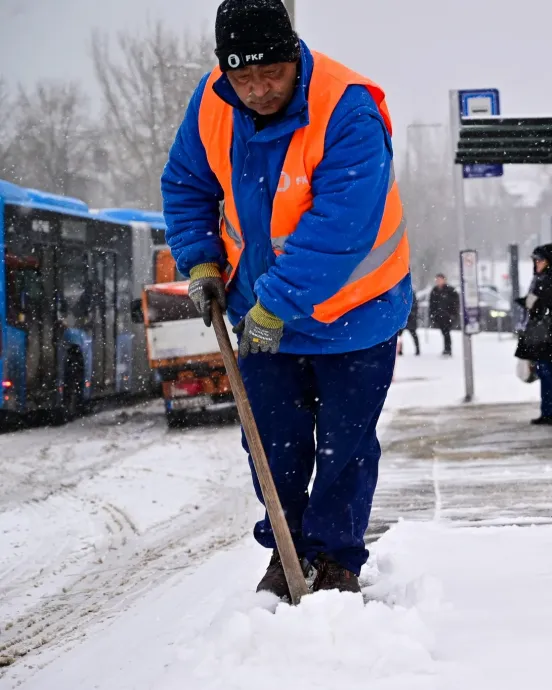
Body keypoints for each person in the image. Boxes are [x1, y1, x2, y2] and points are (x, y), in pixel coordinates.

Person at [161, 0, 410, 597]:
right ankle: (289, 550)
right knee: (272, 443)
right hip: (260, 311)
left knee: (346, 446)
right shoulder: (213, 102)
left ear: (294, 55)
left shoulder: (346, 107)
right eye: (243, 77)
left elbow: (340, 225)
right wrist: (200, 258)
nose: (257, 90)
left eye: (271, 73)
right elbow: (187, 183)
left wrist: (277, 302)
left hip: (356, 312)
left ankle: (337, 559)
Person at [515, 244, 552, 425]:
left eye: (540, 260)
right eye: (535, 260)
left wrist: (533, 304)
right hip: (544, 335)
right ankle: (548, 411)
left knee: (550, 372)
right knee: (544, 371)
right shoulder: (542, 280)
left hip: (550, 336)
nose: (537, 263)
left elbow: (551, 306)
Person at [429, 273, 460, 357]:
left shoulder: (450, 290)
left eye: (440, 279)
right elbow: (432, 304)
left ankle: (448, 349)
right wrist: (433, 315)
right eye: (437, 280)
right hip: (439, 316)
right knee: (444, 332)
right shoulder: (435, 290)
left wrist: (453, 314)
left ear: (444, 280)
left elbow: (455, 303)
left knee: (446, 332)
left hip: (448, 316)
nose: (438, 281)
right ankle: (446, 348)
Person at [398, 286, 420, 356]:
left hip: (410, 318)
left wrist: (410, 314)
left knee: (413, 334)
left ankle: (417, 350)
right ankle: (399, 350)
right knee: (399, 336)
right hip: (403, 318)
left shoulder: (411, 294)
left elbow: (415, 306)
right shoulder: (400, 293)